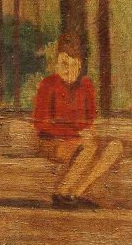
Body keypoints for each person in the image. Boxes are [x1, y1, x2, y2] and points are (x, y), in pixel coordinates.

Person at [30, 35, 122, 209]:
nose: (68, 70)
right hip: (51, 142)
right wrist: (75, 132)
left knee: (115, 147)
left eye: (73, 65)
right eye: (64, 64)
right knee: (89, 147)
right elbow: (41, 123)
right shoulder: (48, 85)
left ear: (80, 66)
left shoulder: (86, 85)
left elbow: (89, 118)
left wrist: (83, 132)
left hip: (77, 141)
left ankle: (76, 193)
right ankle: (61, 192)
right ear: (56, 64)